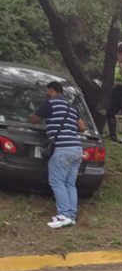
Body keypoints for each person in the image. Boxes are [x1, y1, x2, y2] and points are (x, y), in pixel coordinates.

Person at [30, 81, 87, 228]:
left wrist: (45, 119)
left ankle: (63, 215)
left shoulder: (50, 103)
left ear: (53, 90)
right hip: (77, 149)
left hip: (62, 149)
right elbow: (82, 127)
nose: (46, 94)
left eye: (47, 91)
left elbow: (34, 119)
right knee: (70, 183)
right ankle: (71, 216)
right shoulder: (71, 107)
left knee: (57, 182)